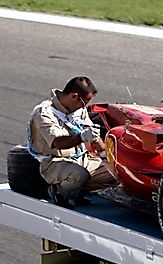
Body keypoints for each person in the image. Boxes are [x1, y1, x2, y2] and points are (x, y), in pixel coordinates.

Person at [27, 76, 117, 208]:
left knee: (115, 174)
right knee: (79, 175)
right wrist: (82, 137)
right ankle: (59, 192)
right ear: (74, 96)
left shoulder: (78, 110)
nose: (85, 106)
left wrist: (98, 140)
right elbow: (58, 142)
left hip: (82, 158)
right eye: (85, 101)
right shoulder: (44, 112)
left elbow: (97, 144)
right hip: (55, 162)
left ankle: (77, 191)